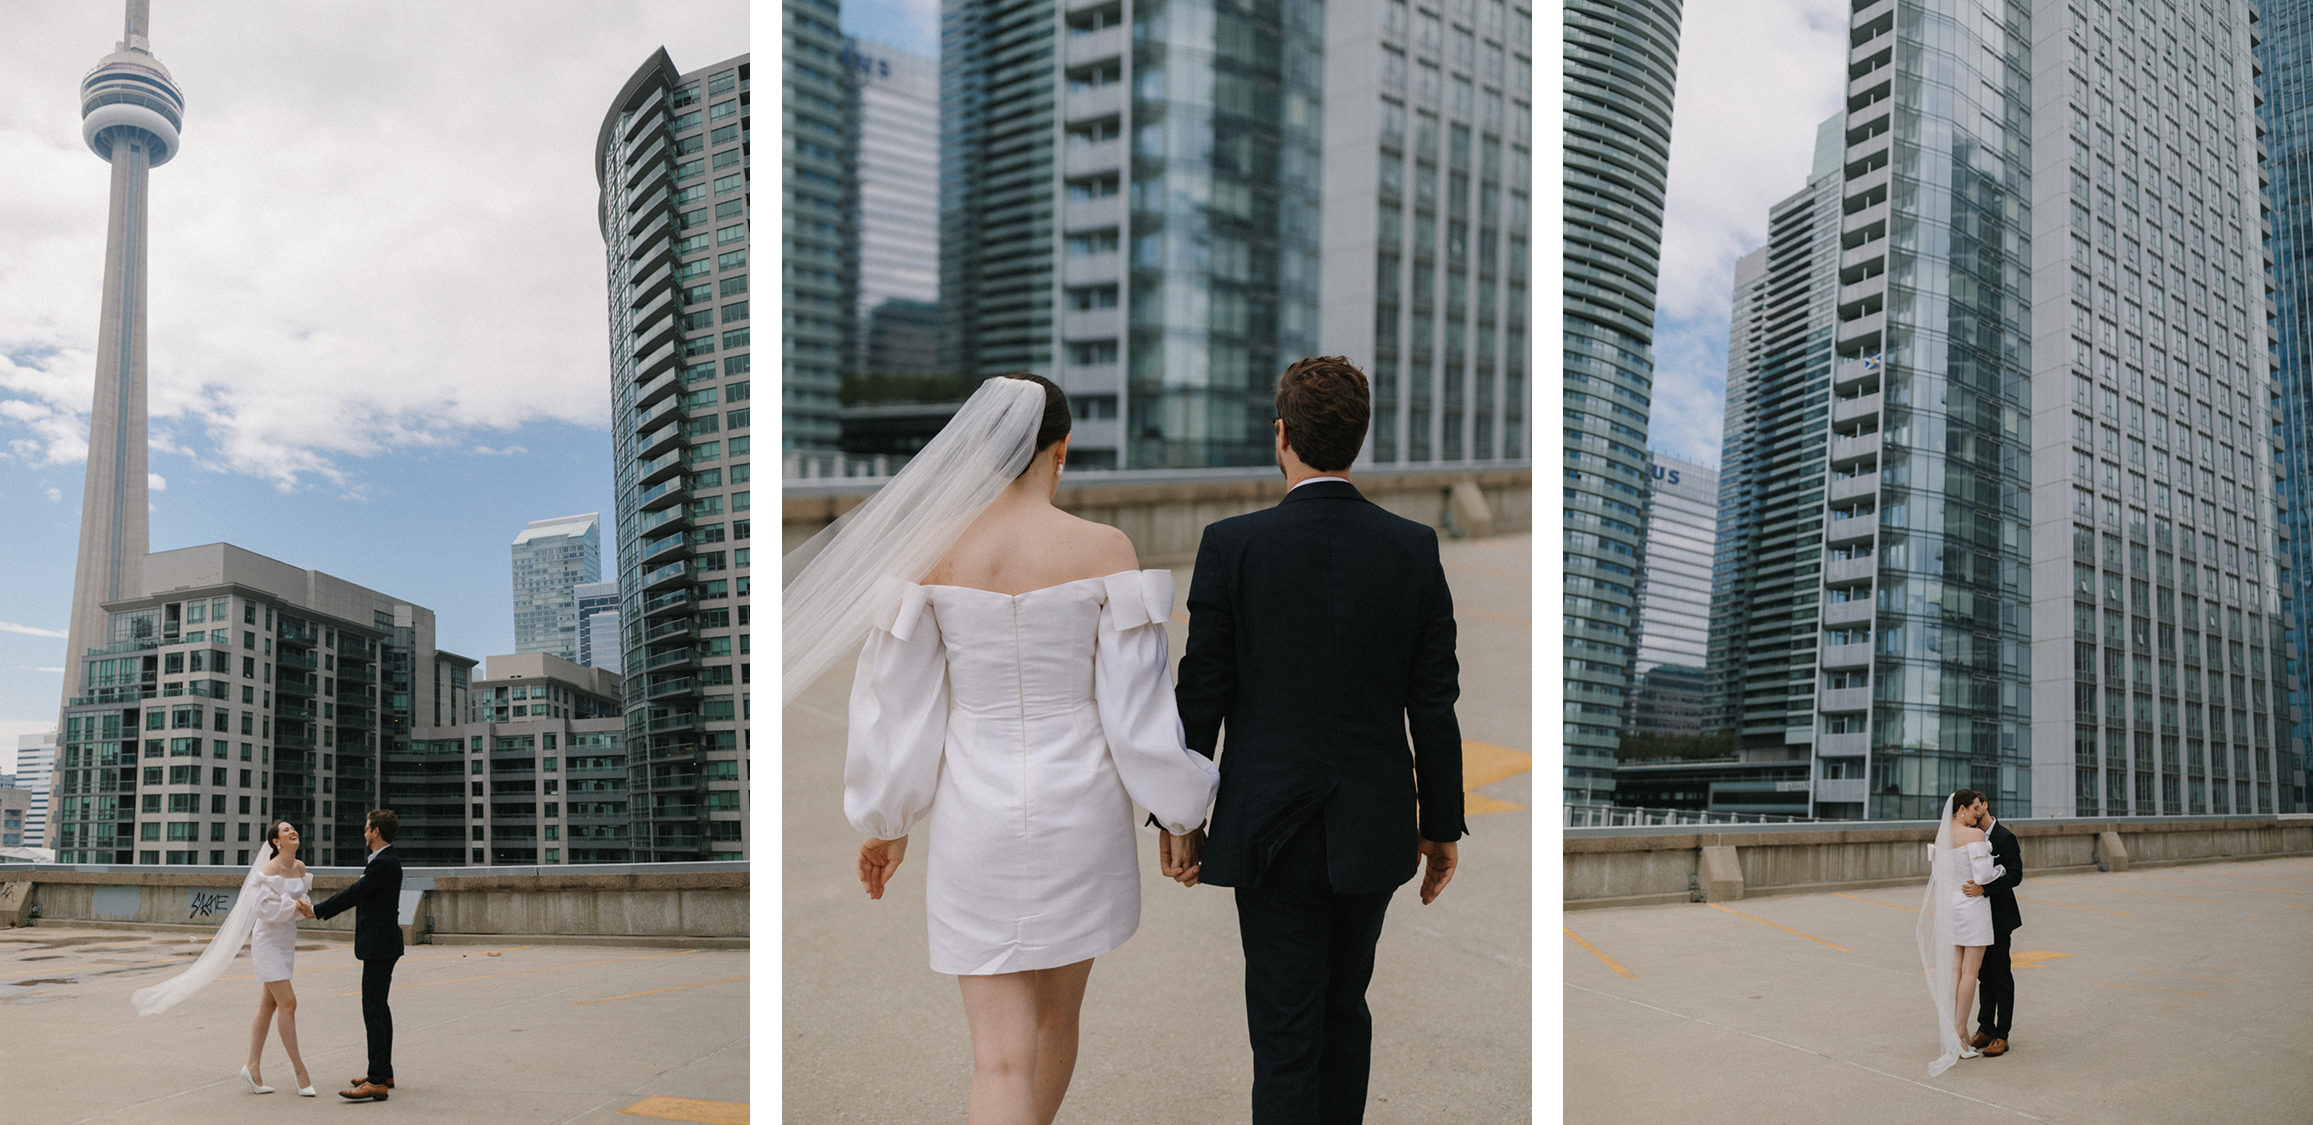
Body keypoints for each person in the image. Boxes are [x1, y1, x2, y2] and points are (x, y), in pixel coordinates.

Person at [788, 373, 1220, 1125]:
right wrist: (1181, 812)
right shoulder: (1104, 547)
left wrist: (886, 823)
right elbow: (1139, 716)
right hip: (1080, 806)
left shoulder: (931, 556)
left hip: (974, 815)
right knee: (1056, 1023)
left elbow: (898, 710)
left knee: (996, 1057)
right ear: (1062, 449)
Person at [1168, 356, 1465, 1124]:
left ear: (1281, 436)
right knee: (1344, 1011)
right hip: (1372, 826)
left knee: (1283, 1033)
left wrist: (1178, 816)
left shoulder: (1231, 545)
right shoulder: (1412, 547)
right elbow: (1433, 705)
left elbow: (1202, 693)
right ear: (1357, 440)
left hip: (1266, 830)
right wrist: (1439, 826)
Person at [306, 809, 405, 1102]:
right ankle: (382, 1071)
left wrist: (316, 910)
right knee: (379, 1008)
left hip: (379, 945)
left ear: (376, 832)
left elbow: (353, 894)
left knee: (373, 1010)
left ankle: (376, 1082)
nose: (363, 832)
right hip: (382, 944)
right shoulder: (383, 861)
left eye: (366, 828)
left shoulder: (383, 863)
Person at [1919, 788, 2006, 1077]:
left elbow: (1941, 876)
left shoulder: (1941, 838)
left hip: (1952, 906)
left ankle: (1955, 1029)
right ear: (1960, 810)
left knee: (1955, 970)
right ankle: (1959, 1032)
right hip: (1973, 905)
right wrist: (2001, 869)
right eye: (1972, 811)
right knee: (1971, 972)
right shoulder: (1975, 836)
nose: (1976, 815)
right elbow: (1983, 876)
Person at [241, 820, 317, 1096]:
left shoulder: (300, 868)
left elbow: (302, 902)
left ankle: (252, 1067)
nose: (291, 831)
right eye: (285, 830)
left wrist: (301, 906)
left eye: (292, 828)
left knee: (268, 1004)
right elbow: (262, 909)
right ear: (276, 842)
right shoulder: (269, 870)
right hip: (268, 941)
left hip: (286, 940)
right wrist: (294, 905)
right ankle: (300, 1070)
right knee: (288, 1002)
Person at [1962, 795, 2024, 1057]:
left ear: (1985, 805)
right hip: (1976, 916)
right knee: (1982, 975)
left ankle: (2002, 1034)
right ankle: (1985, 1027)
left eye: (1978, 807)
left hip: (1999, 916)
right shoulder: (1968, 836)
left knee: (2000, 975)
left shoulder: (2005, 837)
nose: (1975, 813)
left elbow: (2015, 875)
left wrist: (1984, 889)